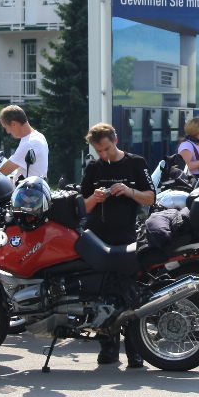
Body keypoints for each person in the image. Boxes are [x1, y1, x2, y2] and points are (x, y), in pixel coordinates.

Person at [79, 123, 156, 368]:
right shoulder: (93, 168)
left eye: (107, 149)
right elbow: (82, 206)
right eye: (99, 151)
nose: (104, 155)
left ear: (115, 140)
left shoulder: (136, 163)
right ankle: (108, 346)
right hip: (98, 238)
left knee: (130, 294)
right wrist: (94, 198)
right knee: (102, 294)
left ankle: (135, 348)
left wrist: (129, 191)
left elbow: (151, 197)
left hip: (126, 237)